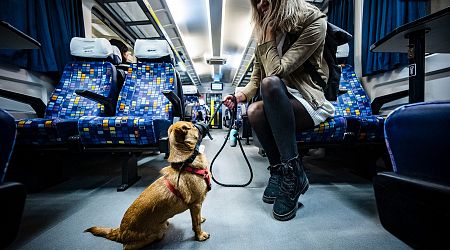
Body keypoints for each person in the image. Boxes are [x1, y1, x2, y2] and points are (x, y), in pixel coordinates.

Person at [223, 0, 334, 221]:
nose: (262, 4)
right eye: (257, 1)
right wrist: (239, 95)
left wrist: (269, 34)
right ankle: (278, 171)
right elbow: (256, 79)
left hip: (307, 101)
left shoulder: (313, 21)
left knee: (271, 84)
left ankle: (294, 174)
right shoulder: (264, 32)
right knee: (254, 110)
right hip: (277, 100)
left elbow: (275, 72)